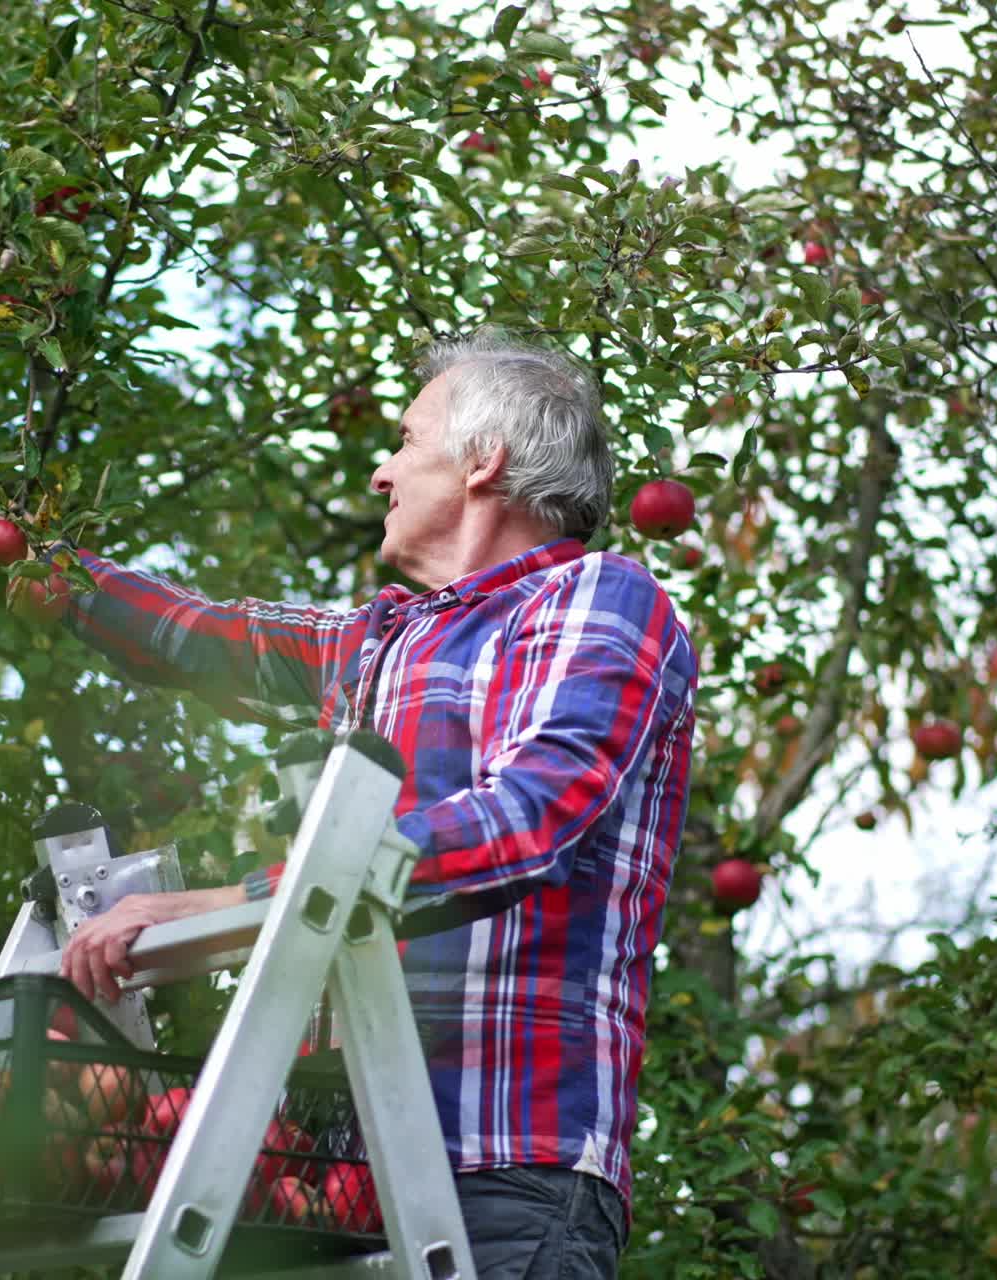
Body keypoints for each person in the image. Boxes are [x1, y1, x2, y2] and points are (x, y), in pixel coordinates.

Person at [56, 330, 697, 1277]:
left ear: (486, 461)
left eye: (405, 439)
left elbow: (523, 822)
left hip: (498, 1165)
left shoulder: (595, 597)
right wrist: (39, 573)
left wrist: (234, 905)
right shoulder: (385, 641)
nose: (380, 472)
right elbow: (213, 635)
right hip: (333, 1175)